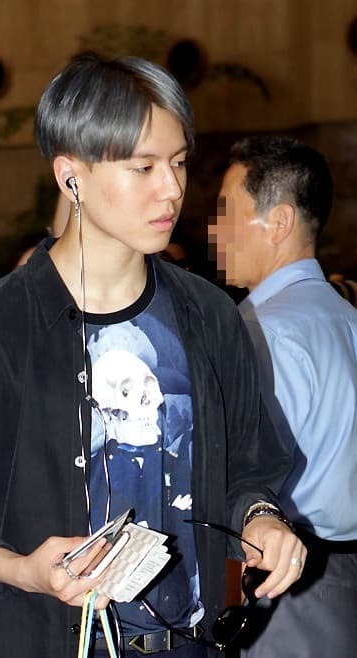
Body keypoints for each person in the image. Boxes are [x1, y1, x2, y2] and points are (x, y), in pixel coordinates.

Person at [0, 55, 305, 658]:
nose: (173, 188)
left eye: (179, 162)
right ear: (70, 176)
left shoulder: (208, 317)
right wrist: (23, 569)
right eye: (143, 167)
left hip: (188, 641)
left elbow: (250, 466)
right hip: (32, 638)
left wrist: (262, 518)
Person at [209, 135, 357, 658]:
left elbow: (242, 477)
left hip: (282, 587)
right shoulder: (347, 318)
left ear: (280, 221)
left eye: (226, 212)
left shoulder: (262, 333)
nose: (213, 230)